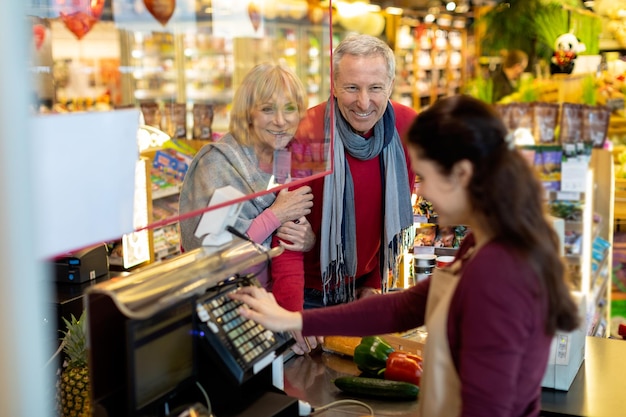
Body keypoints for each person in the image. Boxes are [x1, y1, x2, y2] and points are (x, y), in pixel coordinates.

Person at [230, 94, 582, 417]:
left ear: (461, 175)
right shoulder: (484, 242)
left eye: (425, 177)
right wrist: (296, 320)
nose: (420, 191)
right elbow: (403, 308)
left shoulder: (494, 273)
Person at [271, 34, 417, 313]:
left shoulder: (406, 126)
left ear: (391, 86)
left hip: (366, 287)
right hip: (308, 294)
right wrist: (293, 314)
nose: (363, 103)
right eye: (352, 87)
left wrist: (374, 283)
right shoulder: (304, 135)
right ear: (334, 85)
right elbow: (284, 232)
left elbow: (399, 218)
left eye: (375, 88)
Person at [179, 63, 314, 303]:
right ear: (247, 113)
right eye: (268, 109)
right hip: (224, 305)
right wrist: (276, 215)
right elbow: (213, 251)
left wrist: (307, 239)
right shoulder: (219, 163)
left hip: (266, 303)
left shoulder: (283, 158)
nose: (281, 121)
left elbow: (286, 242)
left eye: (290, 109)